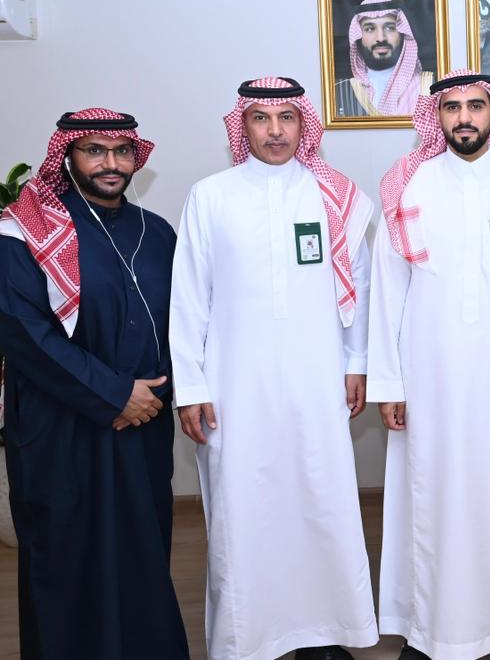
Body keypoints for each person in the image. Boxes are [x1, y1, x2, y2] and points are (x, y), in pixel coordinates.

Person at [169, 77, 377, 660]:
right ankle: (247, 639)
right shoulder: (210, 196)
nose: (276, 130)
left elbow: (359, 289)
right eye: (261, 118)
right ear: (243, 126)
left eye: (287, 117)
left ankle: (325, 632)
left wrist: (358, 362)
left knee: (321, 499)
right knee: (244, 508)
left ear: (304, 124)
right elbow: (189, 298)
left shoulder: (335, 195)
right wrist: (191, 386)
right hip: (234, 385)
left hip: (317, 377)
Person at [368, 69, 490, 660]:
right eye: (452, 107)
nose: (464, 117)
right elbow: (387, 292)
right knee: (428, 497)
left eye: (475, 106)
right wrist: (389, 382)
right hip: (427, 378)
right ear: (437, 117)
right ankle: (425, 627)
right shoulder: (409, 184)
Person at [0, 108, 188, 658]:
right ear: (68, 156)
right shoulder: (24, 231)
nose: (111, 163)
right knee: (66, 555)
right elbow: (23, 331)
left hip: (142, 423)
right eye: (95, 150)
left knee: (141, 549)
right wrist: (114, 393)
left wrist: (156, 394)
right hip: (60, 428)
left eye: (121, 151)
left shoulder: (158, 232)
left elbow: (188, 320)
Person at [334, 0, 434, 117]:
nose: (381, 38)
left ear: (402, 33)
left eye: (390, 28)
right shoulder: (341, 90)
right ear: (358, 36)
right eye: (370, 29)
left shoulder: (428, 86)